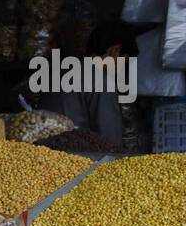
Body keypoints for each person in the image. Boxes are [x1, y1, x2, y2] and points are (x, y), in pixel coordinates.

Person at [39, 18, 137, 146]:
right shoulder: (102, 82)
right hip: (74, 158)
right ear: (115, 51)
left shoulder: (61, 70)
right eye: (126, 61)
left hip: (43, 154)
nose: (124, 70)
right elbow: (111, 142)